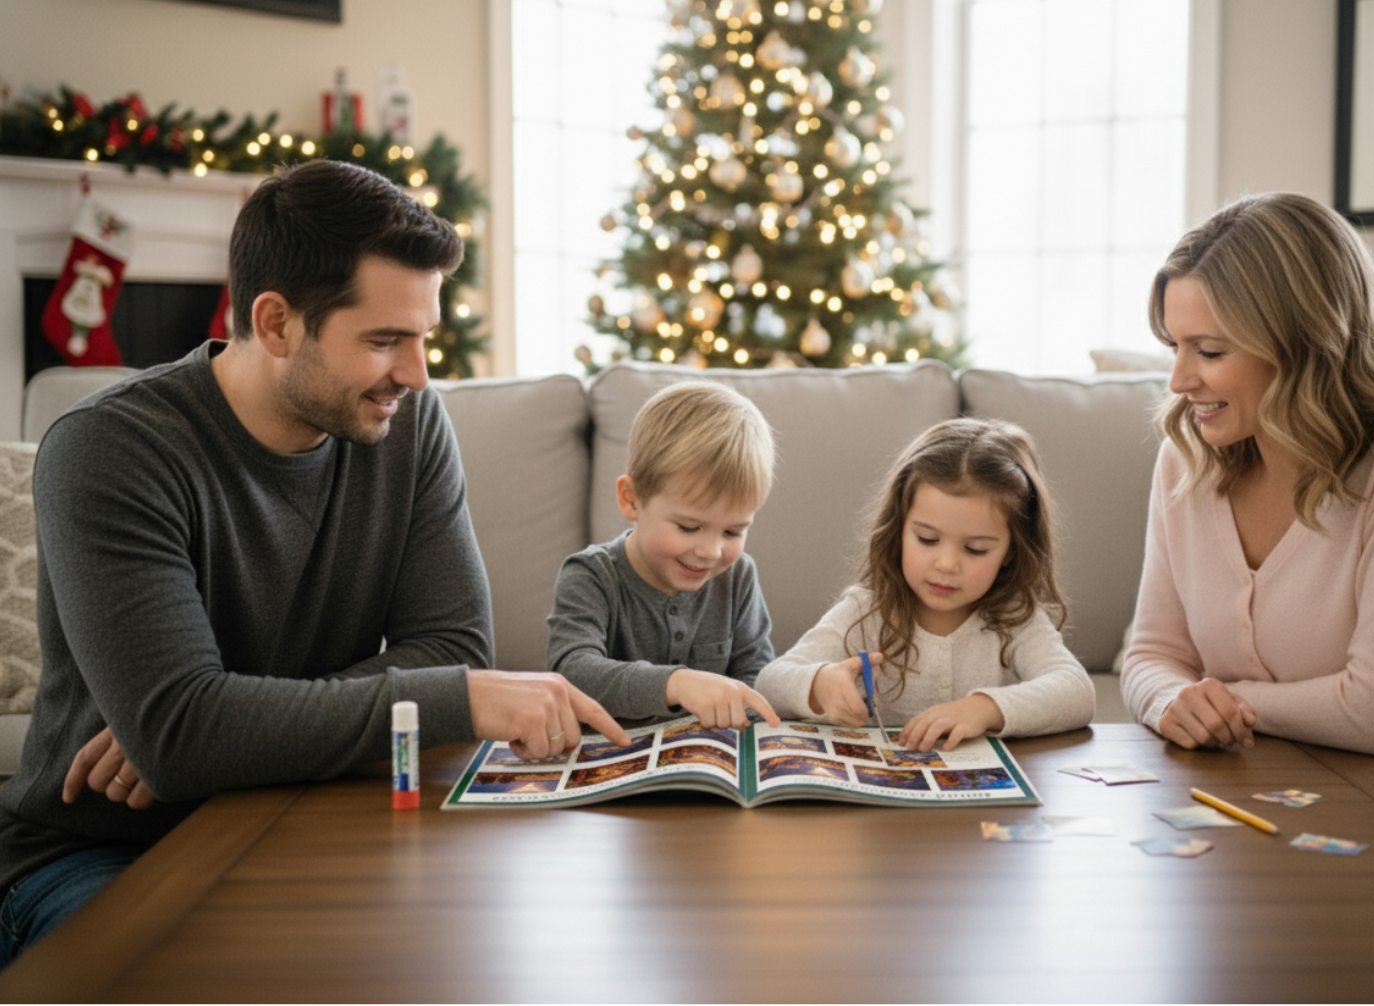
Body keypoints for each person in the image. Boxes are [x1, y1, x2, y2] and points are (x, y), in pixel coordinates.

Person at [0, 160, 629, 965]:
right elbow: (183, 734)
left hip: (310, 805)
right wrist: (194, 732)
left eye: (423, 337)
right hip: (104, 850)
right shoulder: (110, 450)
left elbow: (451, 646)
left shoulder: (408, 426)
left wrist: (223, 731)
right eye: (384, 340)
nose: (417, 374)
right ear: (275, 324)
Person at [1121, 192, 1374, 828]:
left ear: (1302, 343)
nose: (1179, 379)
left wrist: (1223, 700)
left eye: (1210, 351)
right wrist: (1171, 700)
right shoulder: (1187, 458)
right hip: (1261, 819)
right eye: (1175, 346)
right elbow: (1150, 655)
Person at [755, 418, 1095, 751]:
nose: (946, 564)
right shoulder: (866, 610)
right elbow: (770, 682)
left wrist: (984, 709)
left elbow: (1077, 692)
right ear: (899, 530)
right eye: (927, 539)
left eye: (976, 549)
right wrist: (819, 685)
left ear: (1011, 551)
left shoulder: (1015, 619)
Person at [546, 381, 781, 729]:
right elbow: (571, 672)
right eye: (688, 527)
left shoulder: (738, 577)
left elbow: (755, 677)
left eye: (733, 532)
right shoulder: (590, 575)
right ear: (631, 499)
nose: (711, 551)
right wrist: (676, 684)